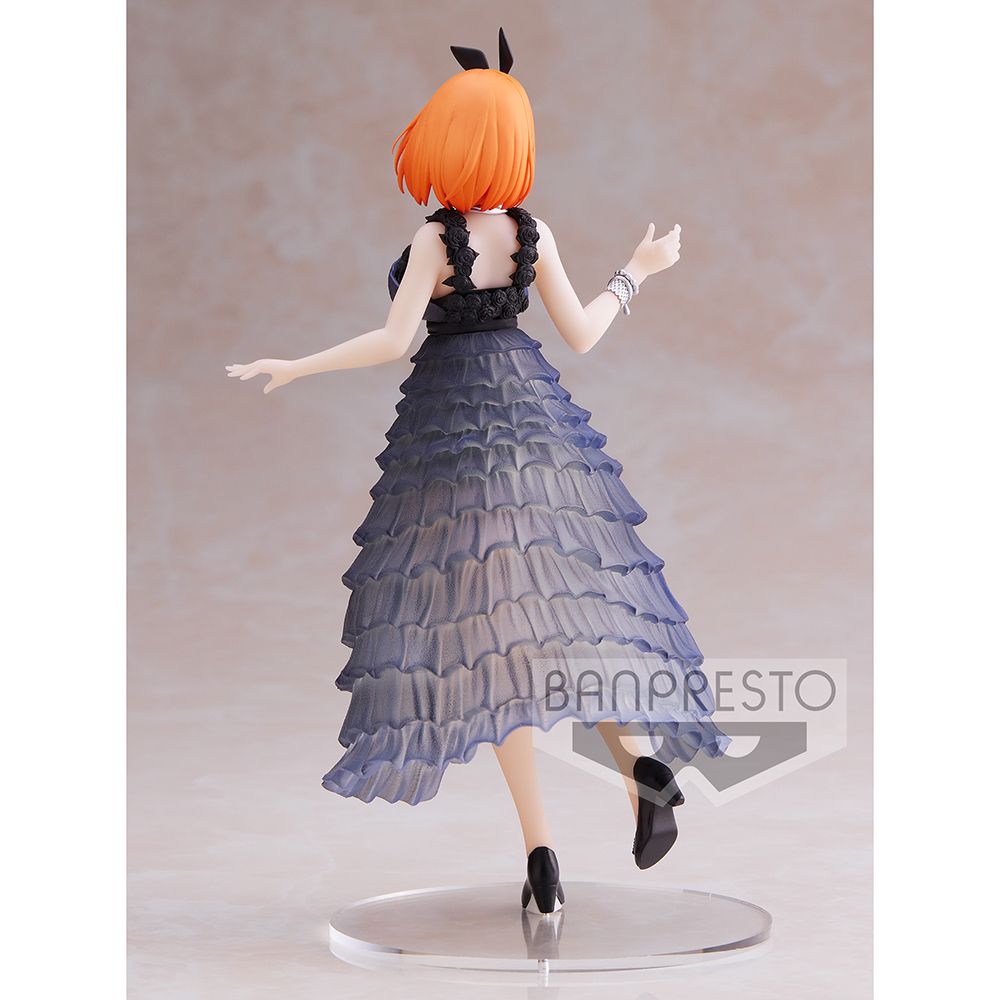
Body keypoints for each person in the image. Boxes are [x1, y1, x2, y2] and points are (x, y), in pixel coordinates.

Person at [227, 29, 728, 915]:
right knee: (561, 621)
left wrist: (298, 365)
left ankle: (541, 853)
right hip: (533, 427)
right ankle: (639, 767)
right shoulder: (531, 233)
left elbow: (393, 341)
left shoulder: (437, 240)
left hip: (454, 442)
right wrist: (637, 272)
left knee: (489, 642)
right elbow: (582, 334)